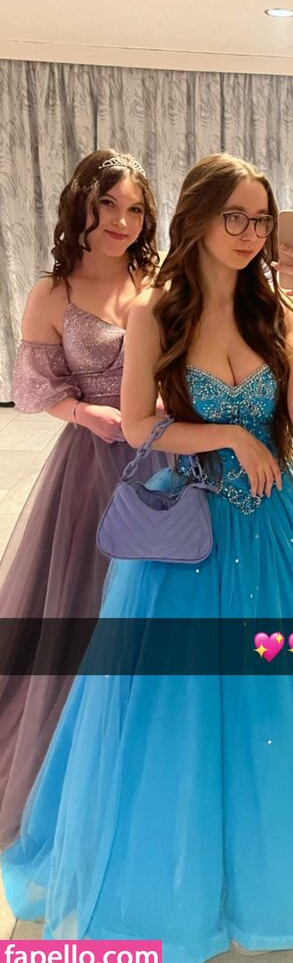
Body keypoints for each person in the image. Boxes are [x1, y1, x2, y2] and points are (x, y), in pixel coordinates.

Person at [2, 153, 293, 963]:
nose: (248, 233)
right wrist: (232, 434)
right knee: (173, 709)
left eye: (259, 219)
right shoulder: (158, 310)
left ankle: (278, 862)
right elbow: (139, 424)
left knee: (279, 693)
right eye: (232, 216)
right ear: (198, 218)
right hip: (189, 532)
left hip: (275, 531)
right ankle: (174, 879)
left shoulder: (277, 311)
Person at [0, 149, 164, 849]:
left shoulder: (157, 279)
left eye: (135, 210)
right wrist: (81, 413)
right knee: (85, 595)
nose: (122, 222)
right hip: (93, 460)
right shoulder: (54, 292)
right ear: (82, 207)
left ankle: (144, 734)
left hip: (163, 455)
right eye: (108, 206)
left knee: (155, 591)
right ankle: (70, 739)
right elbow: (34, 386)